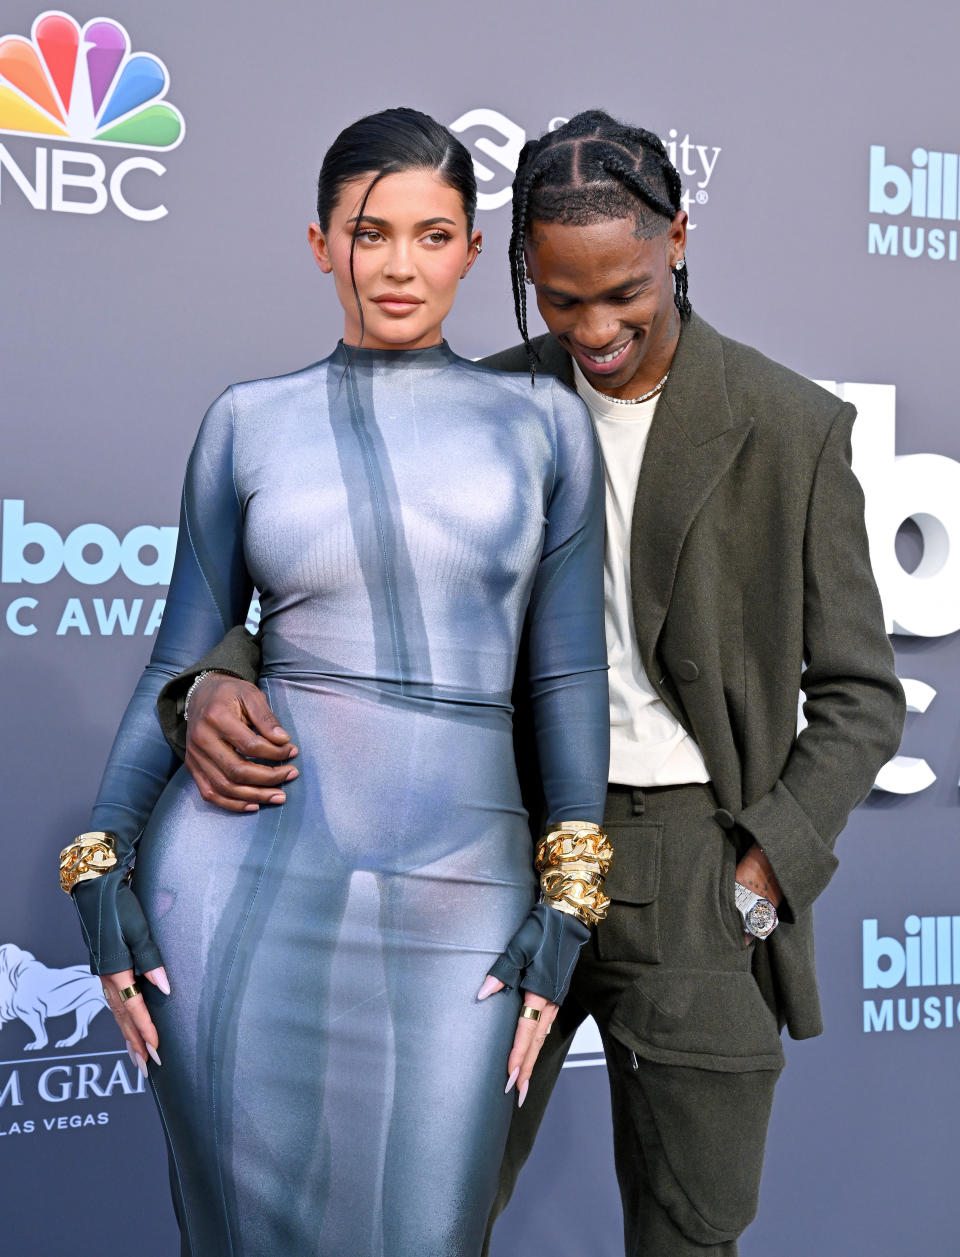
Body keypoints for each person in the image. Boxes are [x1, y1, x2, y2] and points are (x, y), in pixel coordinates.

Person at [157, 111, 906, 1256]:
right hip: (488, 857)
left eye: (624, 295)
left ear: (679, 240)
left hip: (694, 871)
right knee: (426, 1209)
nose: (595, 329)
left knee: (689, 1226)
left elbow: (859, 693)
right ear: (519, 274)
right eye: (561, 299)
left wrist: (760, 864)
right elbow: (324, 600)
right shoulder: (478, 399)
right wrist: (213, 678)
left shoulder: (792, 427)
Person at [57, 107, 612, 1257]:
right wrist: (100, 863)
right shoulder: (246, 423)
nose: (399, 265)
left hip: (462, 900)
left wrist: (570, 900)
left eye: (433, 234)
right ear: (322, 244)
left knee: (429, 1232)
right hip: (233, 893)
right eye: (370, 233)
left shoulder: (544, 425)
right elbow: (179, 657)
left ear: (471, 250)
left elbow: (563, 678)